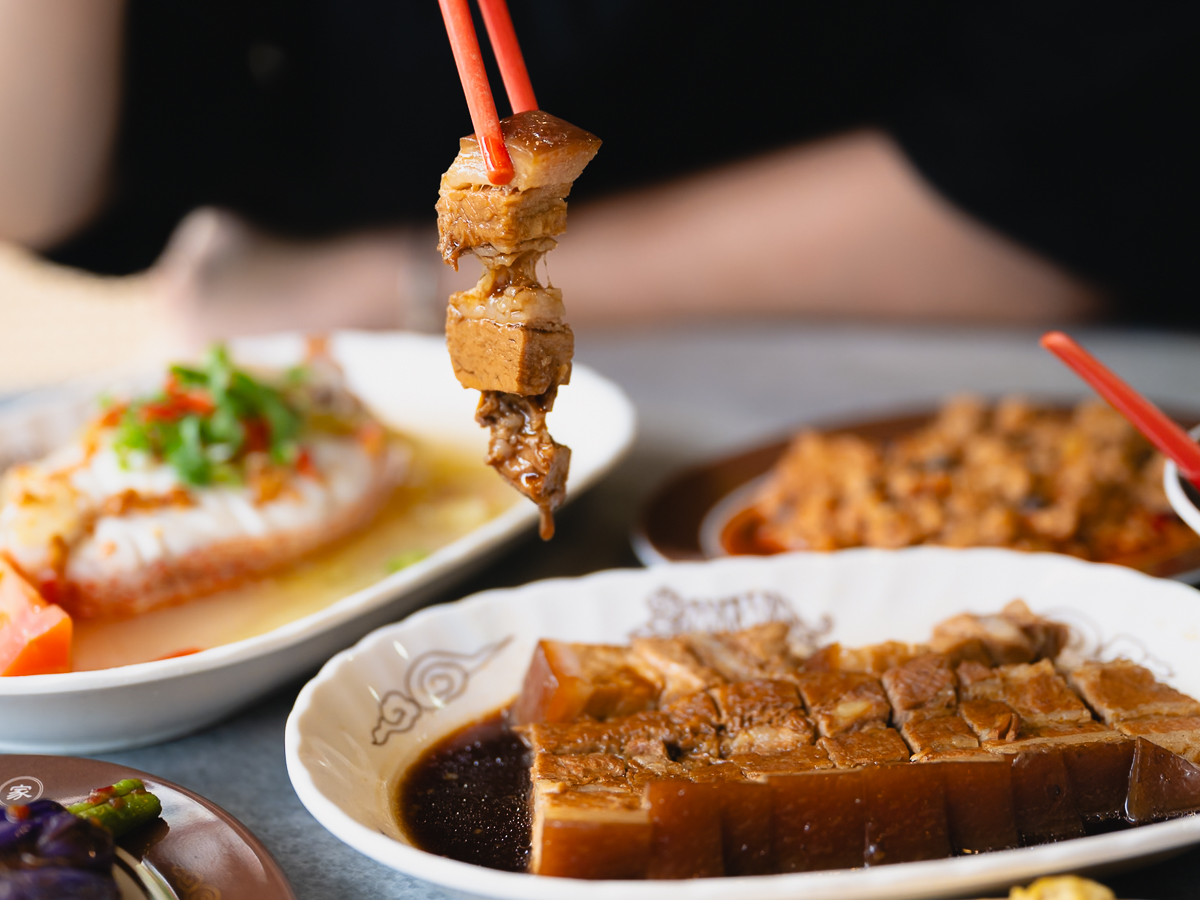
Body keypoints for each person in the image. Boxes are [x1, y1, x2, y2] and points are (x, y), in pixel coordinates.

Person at [1, 1, 1196, 345]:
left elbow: (1080, 169)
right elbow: (50, 184)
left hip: (907, 353)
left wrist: (413, 282)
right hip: (371, 402)